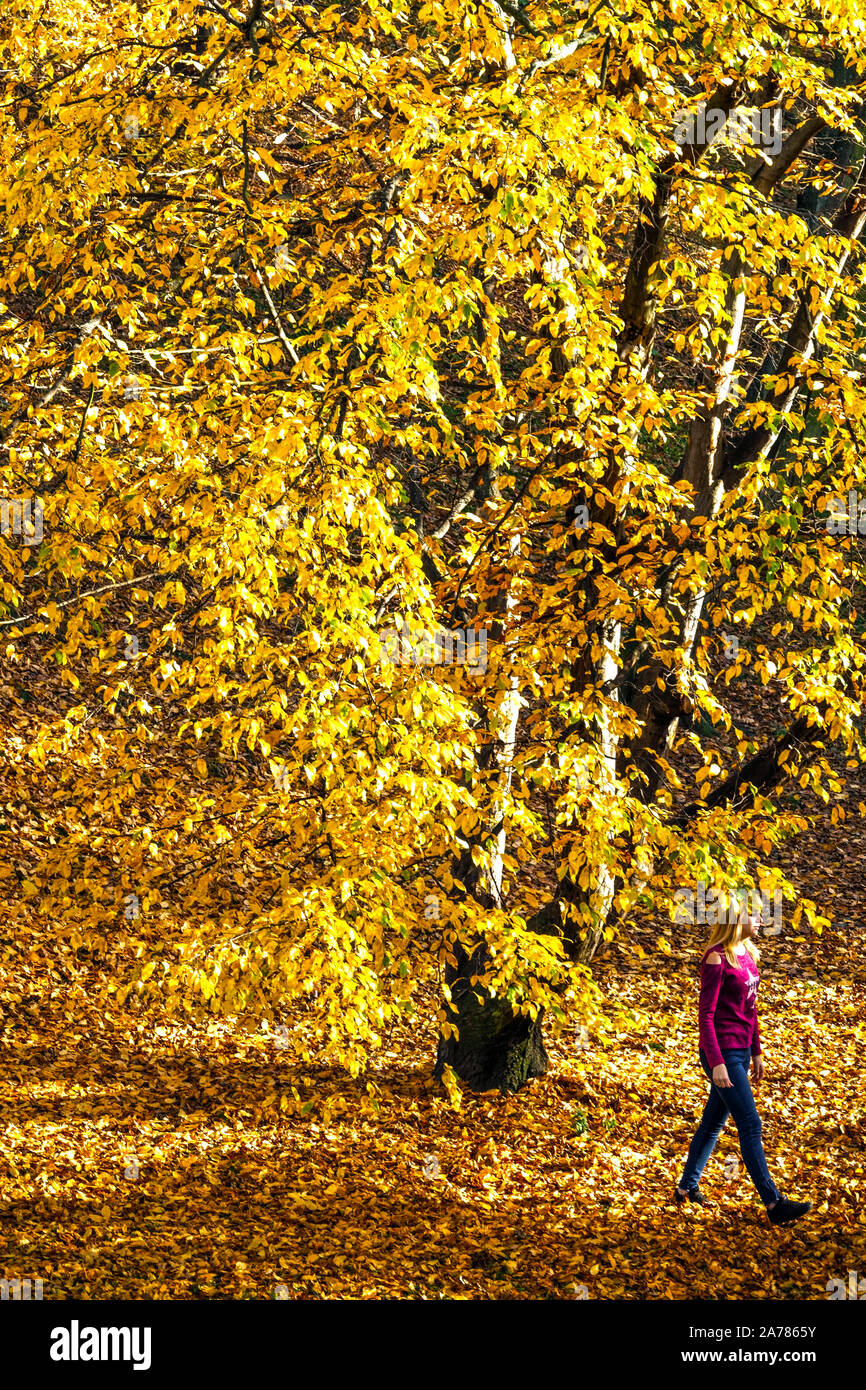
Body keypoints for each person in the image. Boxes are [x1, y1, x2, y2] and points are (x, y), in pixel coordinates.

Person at [675, 908, 811, 1224]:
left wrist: (757, 1051)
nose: (761, 920)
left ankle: (685, 1188)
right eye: (754, 916)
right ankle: (774, 1203)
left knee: (712, 1124)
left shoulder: (746, 954)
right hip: (722, 1054)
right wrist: (717, 1062)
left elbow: (750, 1010)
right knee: (750, 1124)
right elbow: (706, 1016)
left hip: (741, 1052)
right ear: (736, 920)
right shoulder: (715, 958)